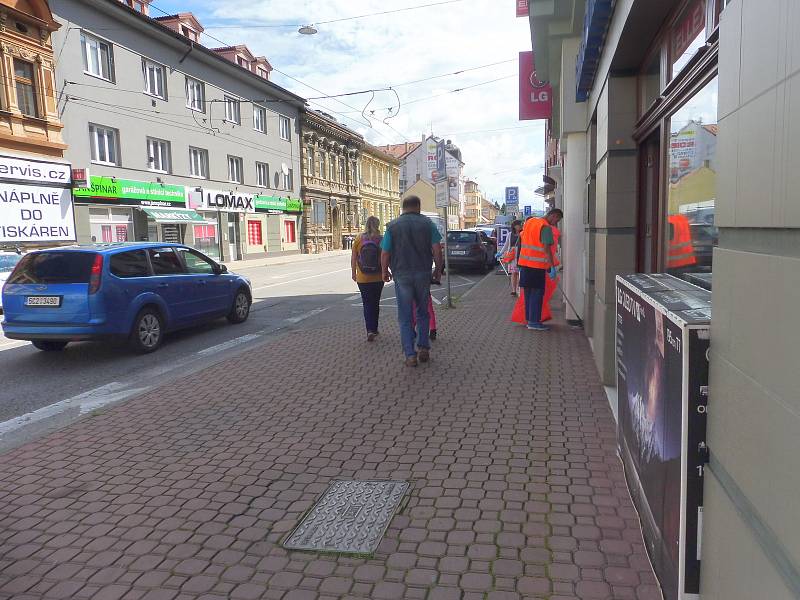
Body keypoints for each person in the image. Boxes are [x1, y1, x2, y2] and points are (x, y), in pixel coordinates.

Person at [381, 195, 444, 367]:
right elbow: (437, 250)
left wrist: (384, 271)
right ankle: (424, 347)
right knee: (423, 312)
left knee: (405, 315)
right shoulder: (427, 224)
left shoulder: (392, 227)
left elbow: (385, 252)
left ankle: (410, 354)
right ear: (418, 207)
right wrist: (438, 270)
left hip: (401, 275)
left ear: (403, 208)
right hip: (423, 273)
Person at [517, 208, 563, 331]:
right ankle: (534, 323)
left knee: (528, 293)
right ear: (553, 215)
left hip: (524, 264)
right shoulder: (545, 227)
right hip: (536, 266)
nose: (555, 223)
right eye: (556, 220)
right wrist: (551, 267)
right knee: (537, 294)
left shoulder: (530, 222)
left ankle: (529, 320)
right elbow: (546, 248)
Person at [351, 216, 385, 342]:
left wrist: (353, 273)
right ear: (378, 225)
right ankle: (375, 329)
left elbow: (354, 257)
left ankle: (369, 330)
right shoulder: (381, 239)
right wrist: (386, 271)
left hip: (363, 277)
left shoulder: (359, 238)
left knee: (367, 303)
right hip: (378, 276)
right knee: (375, 303)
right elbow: (385, 257)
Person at [497, 220, 522, 295]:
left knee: (519, 273)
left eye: (521, 225)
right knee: (513, 273)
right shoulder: (510, 234)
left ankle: (518, 289)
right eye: (519, 225)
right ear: (514, 226)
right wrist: (500, 253)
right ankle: (514, 290)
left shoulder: (523, 234)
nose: (521, 226)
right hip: (512, 255)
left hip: (521, 255)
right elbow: (506, 244)